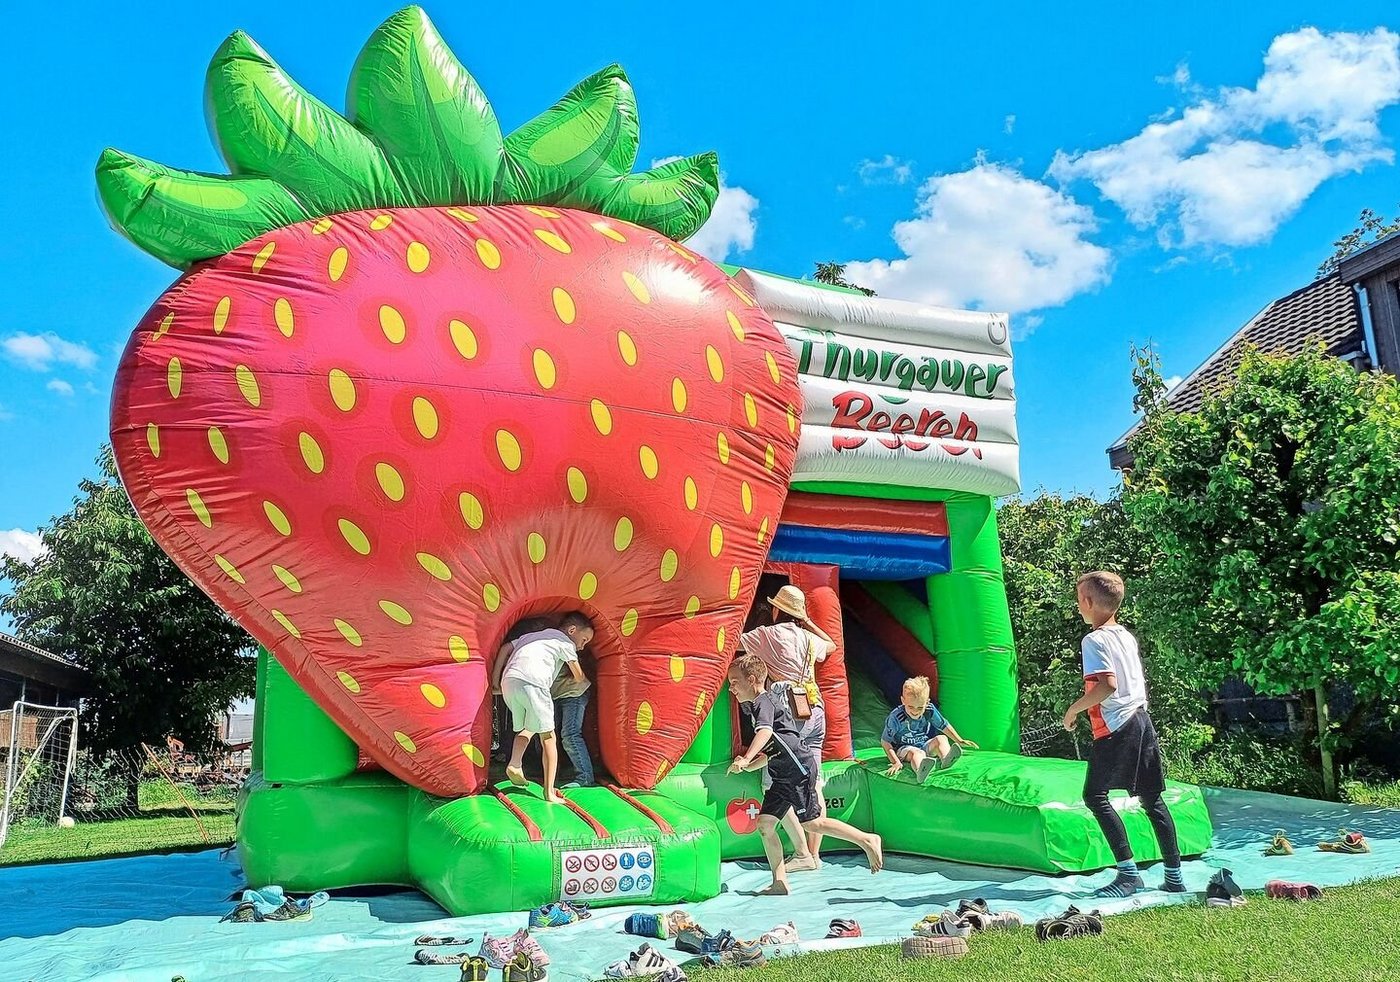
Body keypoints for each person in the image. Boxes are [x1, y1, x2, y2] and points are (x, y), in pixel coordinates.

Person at [1062, 571, 1185, 898]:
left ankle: (1128, 875)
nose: (1078, 606)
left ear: (1087, 603)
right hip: (1142, 721)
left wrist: (1074, 709)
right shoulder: (1125, 636)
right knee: (1152, 798)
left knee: (1095, 796)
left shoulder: (1093, 639)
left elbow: (1107, 685)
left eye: (1079, 600)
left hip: (1118, 726)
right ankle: (1174, 877)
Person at [726, 654, 882, 895]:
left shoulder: (763, 703)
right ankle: (780, 882)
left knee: (813, 822)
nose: (731, 687)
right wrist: (750, 765)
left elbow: (766, 732)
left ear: (752, 679)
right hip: (782, 772)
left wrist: (746, 757)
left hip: (798, 768)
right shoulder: (756, 706)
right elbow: (773, 749)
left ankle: (866, 839)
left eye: (735, 681)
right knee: (766, 825)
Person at [737, 584, 835, 867]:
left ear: (777, 609)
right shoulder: (807, 637)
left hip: (791, 711)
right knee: (812, 780)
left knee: (778, 778)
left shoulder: (768, 634)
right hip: (815, 707)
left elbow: (733, 642)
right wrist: (808, 622)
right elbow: (831, 645)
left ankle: (802, 853)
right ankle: (814, 855)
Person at [491, 612, 593, 803]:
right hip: (534, 683)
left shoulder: (531, 637)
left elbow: (505, 648)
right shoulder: (565, 642)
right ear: (572, 630)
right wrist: (581, 675)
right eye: (584, 640)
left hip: (510, 681)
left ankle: (515, 763)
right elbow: (578, 677)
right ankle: (549, 793)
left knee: (528, 728)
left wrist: (495, 683)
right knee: (549, 737)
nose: (582, 646)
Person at [880, 676, 978, 782]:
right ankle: (920, 771)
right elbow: (885, 742)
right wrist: (895, 762)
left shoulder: (929, 710)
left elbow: (943, 725)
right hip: (904, 749)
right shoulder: (896, 717)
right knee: (917, 753)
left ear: (927, 702)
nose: (915, 711)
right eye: (911, 707)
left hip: (924, 744)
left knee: (941, 738)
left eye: (920, 707)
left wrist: (959, 740)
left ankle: (946, 759)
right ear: (903, 701)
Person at [552, 669, 595, 788]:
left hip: (573, 693)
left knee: (570, 734)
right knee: (549, 735)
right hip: (556, 695)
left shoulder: (564, 649)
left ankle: (585, 776)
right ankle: (555, 772)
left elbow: (579, 676)